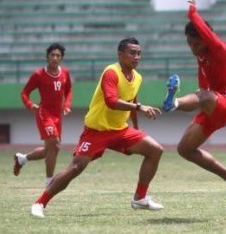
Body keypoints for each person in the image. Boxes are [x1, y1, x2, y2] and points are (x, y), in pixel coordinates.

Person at [30, 38, 164, 218]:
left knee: (155, 150)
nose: (136, 57)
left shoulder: (137, 77)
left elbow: (131, 99)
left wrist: (136, 125)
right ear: (120, 55)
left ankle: (140, 198)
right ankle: (40, 203)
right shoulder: (111, 72)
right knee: (76, 168)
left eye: (139, 53)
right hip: (96, 131)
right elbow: (111, 101)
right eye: (132, 53)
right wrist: (140, 107)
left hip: (120, 130)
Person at [162, 0, 226, 205]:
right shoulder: (201, 59)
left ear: (203, 38)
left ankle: (173, 103)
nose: (191, 48)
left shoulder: (220, 50)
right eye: (188, 43)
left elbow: (203, 95)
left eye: (193, 43)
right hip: (213, 106)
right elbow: (203, 92)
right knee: (184, 149)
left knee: (203, 96)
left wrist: (193, 13)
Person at [14, 43, 72, 187]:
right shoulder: (39, 74)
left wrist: (67, 104)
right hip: (44, 113)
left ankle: (23, 159)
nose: (55, 58)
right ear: (47, 57)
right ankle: (49, 181)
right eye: (52, 55)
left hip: (57, 115)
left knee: (51, 149)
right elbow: (24, 92)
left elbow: (69, 90)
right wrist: (29, 104)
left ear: (61, 58)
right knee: (55, 144)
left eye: (58, 55)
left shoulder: (65, 73)